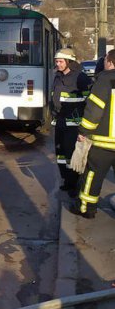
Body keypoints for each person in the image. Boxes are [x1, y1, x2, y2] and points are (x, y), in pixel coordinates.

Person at [73, 50, 115, 218]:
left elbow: (94, 110)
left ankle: (86, 209)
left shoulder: (105, 79)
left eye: (105, 60)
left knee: (93, 175)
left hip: (103, 143)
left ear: (110, 62)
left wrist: (84, 131)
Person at [50, 48, 92, 195]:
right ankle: (67, 181)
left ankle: (75, 184)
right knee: (60, 154)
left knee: (71, 154)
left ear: (70, 62)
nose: (58, 64)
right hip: (60, 122)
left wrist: (84, 127)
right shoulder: (58, 76)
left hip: (73, 125)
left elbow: (90, 101)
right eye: (56, 61)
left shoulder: (81, 78)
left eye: (61, 61)